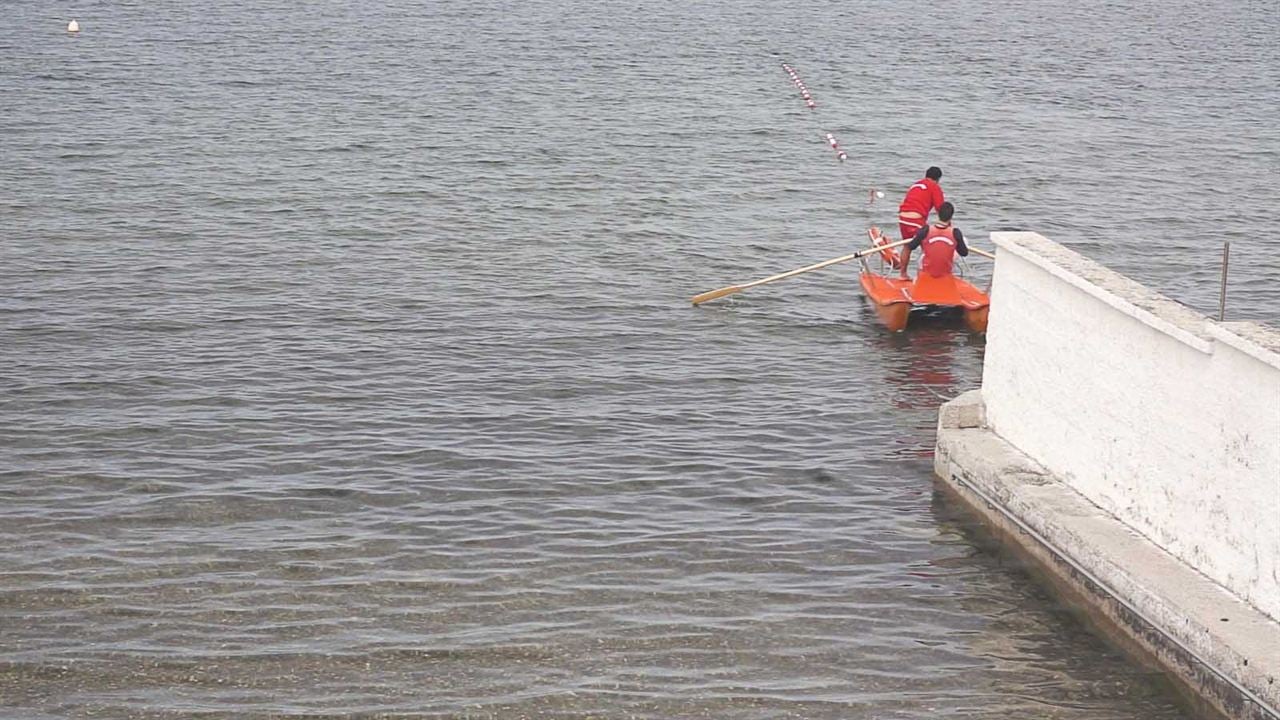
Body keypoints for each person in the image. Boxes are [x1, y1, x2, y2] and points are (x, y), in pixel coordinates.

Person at [899, 201, 969, 279]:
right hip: (946, 271)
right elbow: (964, 253)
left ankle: (916, 277)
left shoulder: (926, 230)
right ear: (951, 217)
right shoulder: (956, 233)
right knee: (964, 241)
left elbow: (911, 246)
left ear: (938, 214)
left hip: (926, 270)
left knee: (923, 256)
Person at [897, 166, 945, 241]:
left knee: (907, 245)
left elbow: (904, 202)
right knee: (928, 243)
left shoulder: (915, 185)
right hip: (915, 221)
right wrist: (948, 229)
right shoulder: (935, 187)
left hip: (902, 219)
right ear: (938, 179)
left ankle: (905, 252)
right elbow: (941, 210)